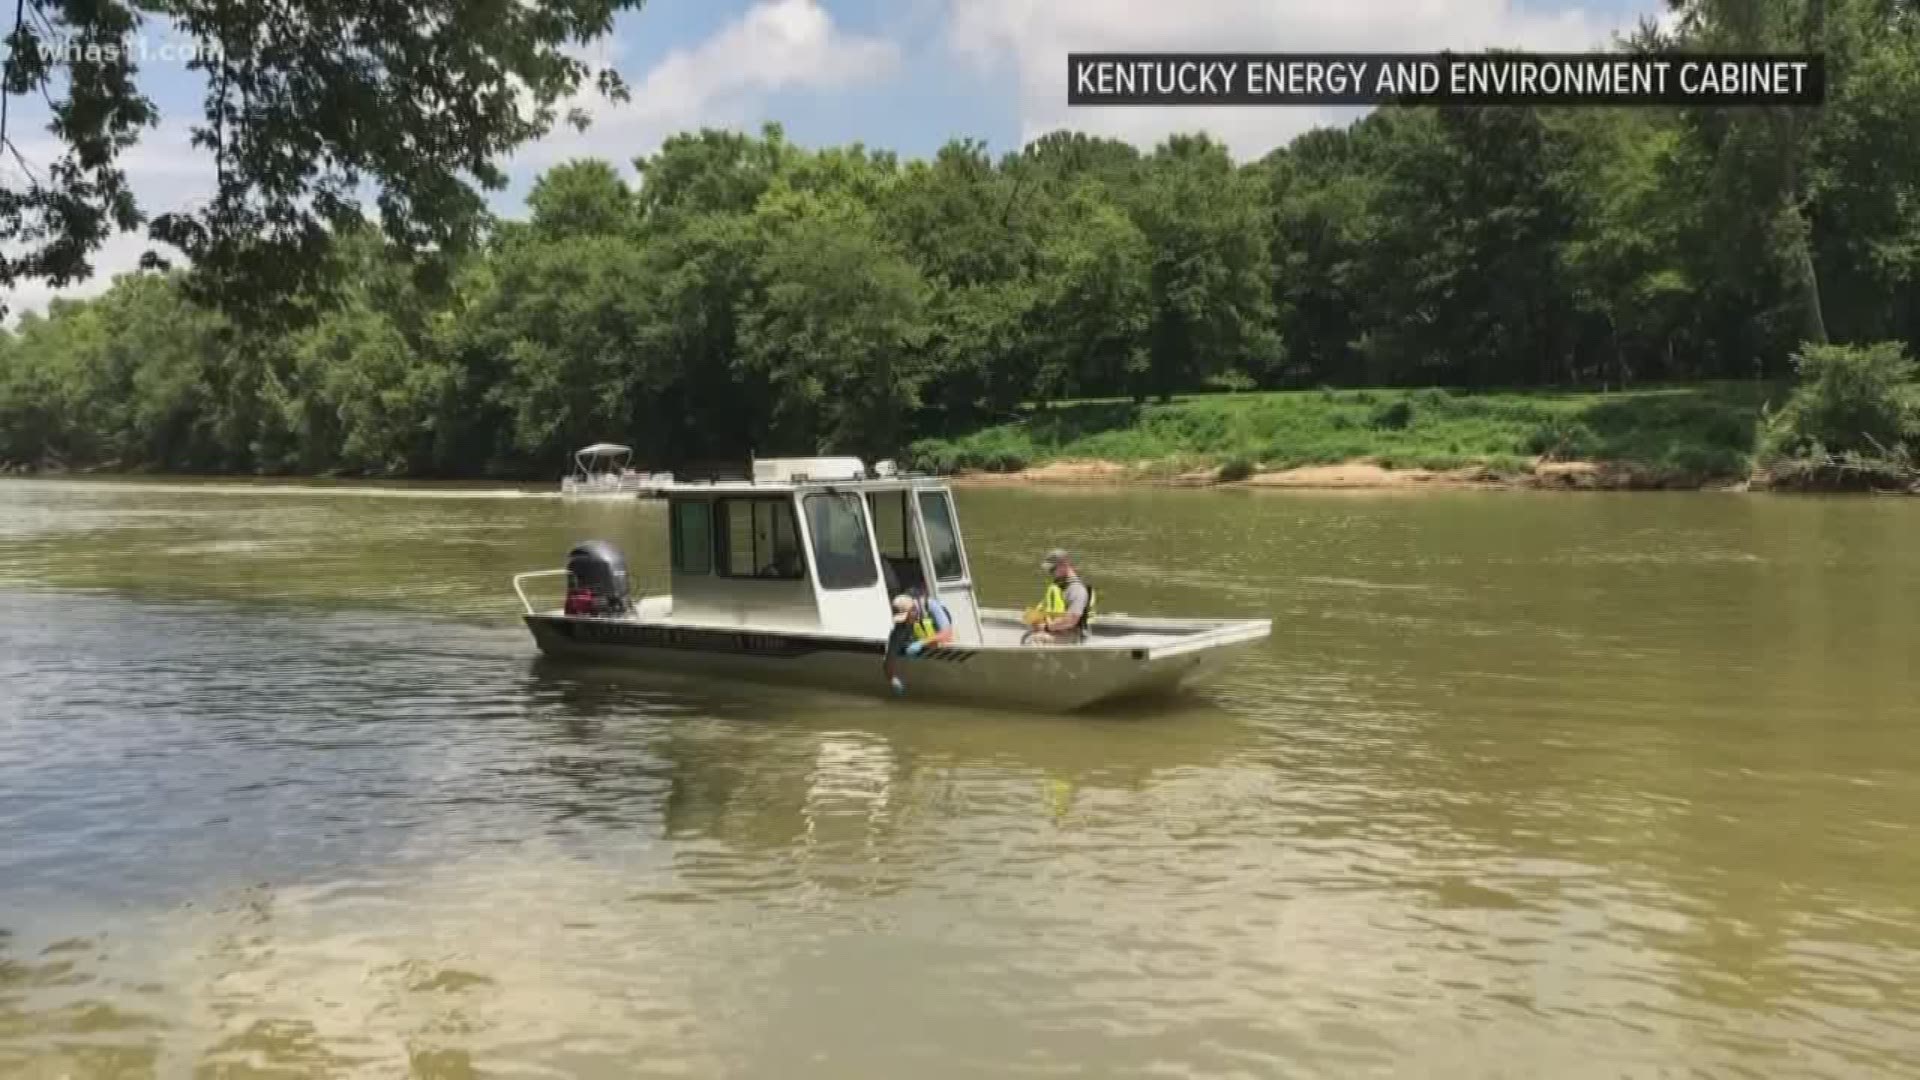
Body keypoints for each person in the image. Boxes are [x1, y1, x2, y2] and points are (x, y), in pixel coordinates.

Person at [883, 588, 953, 693]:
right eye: (902, 618)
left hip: (942, 633)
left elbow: (947, 634)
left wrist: (921, 643)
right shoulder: (901, 625)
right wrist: (893, 679)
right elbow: (889, 659)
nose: (905, 621)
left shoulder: (930, 605)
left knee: (938, 639)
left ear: (913, 610)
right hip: (922, 637)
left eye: (906, 617)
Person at [1026, 548, 1095, 645]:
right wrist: (1035, 620)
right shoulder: (1059, 586)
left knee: (1036, 640)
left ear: (1064, 564)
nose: (1050, 572)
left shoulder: (1076, 589)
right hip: (1057, 629)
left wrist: (1046, 627)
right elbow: (1044, 609)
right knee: (1028, 634)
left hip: (1073, 635)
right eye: (1049, 569)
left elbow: (1071, 620)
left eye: (1053, 569)